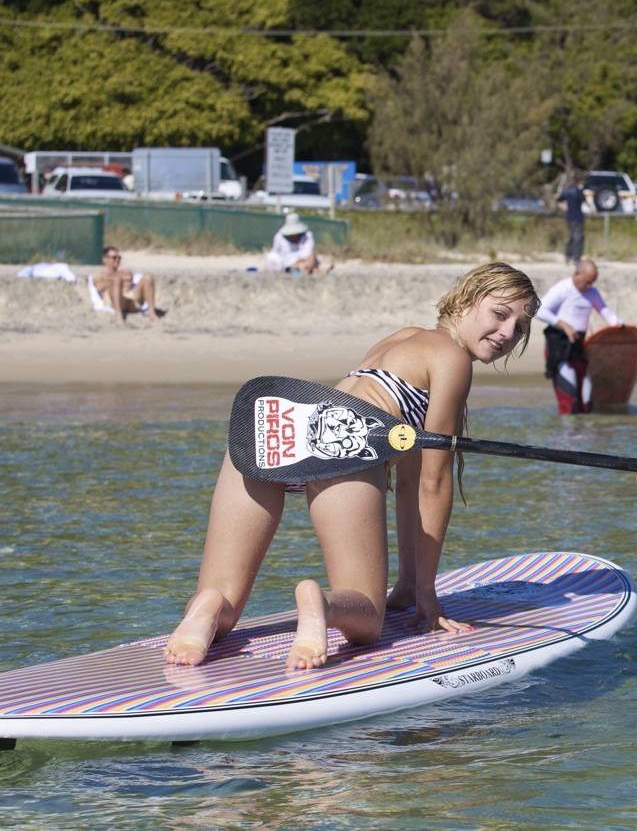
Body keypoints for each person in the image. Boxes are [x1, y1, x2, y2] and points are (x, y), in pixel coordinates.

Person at [164, 262, 541, 670]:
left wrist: (410, 583)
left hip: (269, 430)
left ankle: (209, 605)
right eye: (500, 314)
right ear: (465, 300)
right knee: (366, 618)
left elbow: (410, 478)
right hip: (343, 447)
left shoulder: (401, 338)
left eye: (520, 328)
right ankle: (322, 604)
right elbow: (432, 482)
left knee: (224, 603)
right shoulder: (452, 360)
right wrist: (427, 597)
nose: (508, 332)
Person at [536, 258, 621, 415]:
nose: (589, 286)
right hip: (559, 344)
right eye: (587, 281)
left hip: (578, 346)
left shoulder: (592, 293)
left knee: (586, 402)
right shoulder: (563, 288)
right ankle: (567, 428)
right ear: (577, 273)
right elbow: (539, 310)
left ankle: (582, 429)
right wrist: (564, 325)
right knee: (569, 400)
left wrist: (618, 325)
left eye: (592, 282)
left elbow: (605, 312)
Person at [90, 246, 163, 326]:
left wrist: (122, 280)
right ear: (105, 259)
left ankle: (151, 313)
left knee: (148, 277)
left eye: (119, 258)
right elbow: (100, 288)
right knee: (117, 280)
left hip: (131, 299)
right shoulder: (98, 276)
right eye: (114, 258)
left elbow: (130, 282)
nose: (117, 260)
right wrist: (116, 281)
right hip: (113, 300)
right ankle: (119, 316)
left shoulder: (125, 272)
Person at [265, 213, 331, 275]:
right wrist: (295, 264)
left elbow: (308, 252)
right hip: (286, 262)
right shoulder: (279, 237)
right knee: (272, 257)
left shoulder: (307, 235)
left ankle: (311, 269)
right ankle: (313, 270)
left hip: (306, 261)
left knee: (311, 257)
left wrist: (305, 263)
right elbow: (276, 254)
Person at [557, 170, 587, 264]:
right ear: (580, 181)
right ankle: (576, 258)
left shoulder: (567, 190)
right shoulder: (579, 191)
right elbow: (585, 202)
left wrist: (564, 207)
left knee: (572, 236)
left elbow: (558, 200)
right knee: (579, 238)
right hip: (578, 217)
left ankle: (568, 255)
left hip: (569, 217)